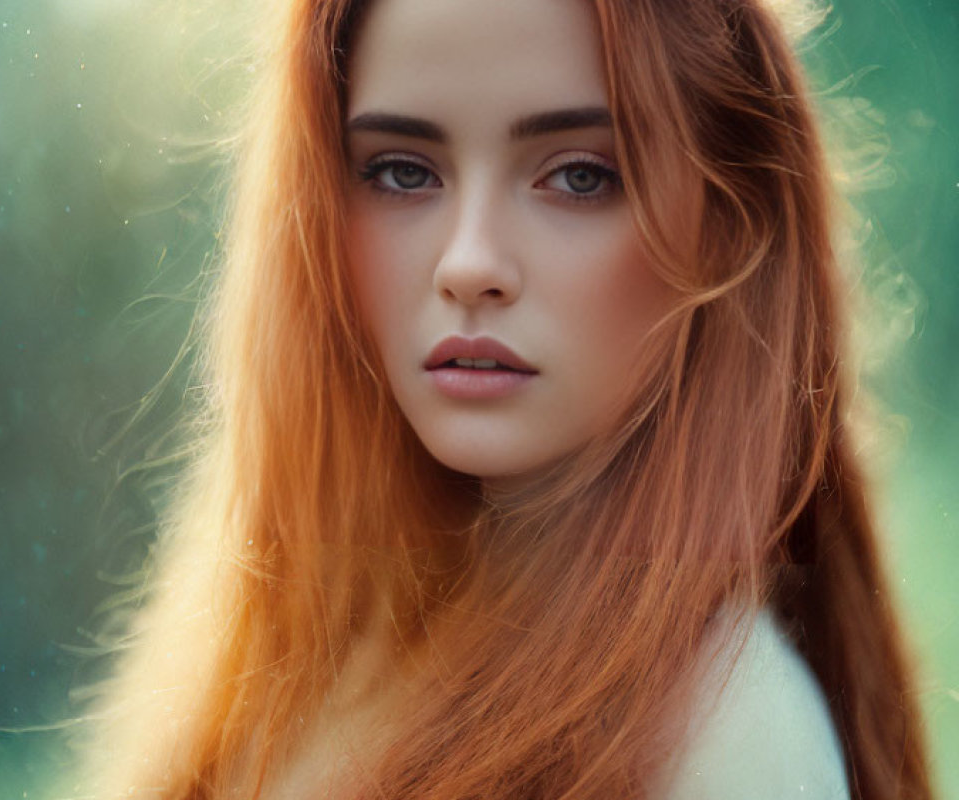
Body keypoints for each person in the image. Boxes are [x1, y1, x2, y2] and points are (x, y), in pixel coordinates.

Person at [77, 0, 933, 797]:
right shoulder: (296, 655)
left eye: (581, 177)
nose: (469, 264)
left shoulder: (729, 734)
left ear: (728, 228)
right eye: (403, 172)